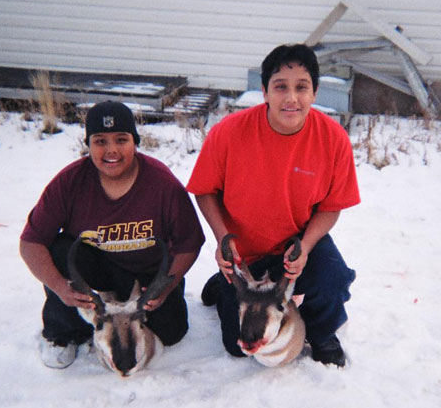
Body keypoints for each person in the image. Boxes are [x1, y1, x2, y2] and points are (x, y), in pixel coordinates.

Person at [187, 44, 360, 367]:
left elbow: (332, 205)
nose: (291, 98)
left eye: (301, 87)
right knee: (238, 346)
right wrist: (223, 238)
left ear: (315, 92)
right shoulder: (228, 133)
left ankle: (322, 333)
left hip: (294, 244)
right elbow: (204, 191)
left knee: (333, 279)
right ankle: (224, 285)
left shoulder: (333, 139)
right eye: (280, 87)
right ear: (264, 91)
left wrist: (306, 246)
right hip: (244, 253)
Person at [20, 101, 205, 369]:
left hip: (146, 276)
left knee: (173, 330)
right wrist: (60, 288)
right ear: (89, 144)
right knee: (59, 249)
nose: (111, 150)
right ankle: (63, 333)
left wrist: (166, 286)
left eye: (121, 139)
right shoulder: (70, 181)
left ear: (135, 142)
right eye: (100, 141)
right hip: (95, 271)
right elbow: (31, 242)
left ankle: (129, 327)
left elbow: (190, 242)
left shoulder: (161, 183)